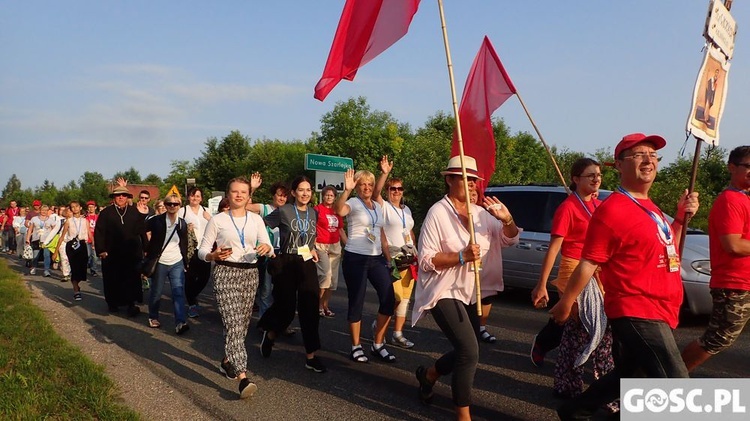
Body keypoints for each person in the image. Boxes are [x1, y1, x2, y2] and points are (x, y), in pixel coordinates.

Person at [550, 133, 699, 420]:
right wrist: (566, 302)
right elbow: (588, 262)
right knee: (676, 383)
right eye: (639, 155)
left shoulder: (650, 207)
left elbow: (670, 247)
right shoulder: (613, 209)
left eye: (653, 156)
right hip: (636, 308)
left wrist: (679, 217)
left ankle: (573, 410)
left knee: (630, 374)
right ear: (619, 165)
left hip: (661, 306)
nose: (649, 161)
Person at [413, 155, 519, 421]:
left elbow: (510, 240)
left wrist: (507, 220)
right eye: (464, 178)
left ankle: (429, 375)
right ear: (449, 180)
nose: (471, 183)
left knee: (466, 350)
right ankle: (463, 416)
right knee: (470, 352)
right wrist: (460, 256)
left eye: (473, 179)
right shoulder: (438, 212)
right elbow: (425, 260)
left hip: (473, 291)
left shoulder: (481, 213)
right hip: (442, 289)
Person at [529, 158, 616, 399]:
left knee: (592, 331)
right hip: (573, 271)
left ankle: (580, 383)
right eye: (590, 175)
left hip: (598, 272)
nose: (597, 179)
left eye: (598, 175)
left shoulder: (600, 206)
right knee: (582, 330)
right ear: (576, 179)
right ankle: (575, 386)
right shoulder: (567, 208)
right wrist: (542, 284)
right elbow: (554, 248)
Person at [198, 176, 272, 399]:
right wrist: (213, 254)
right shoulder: (218, 220)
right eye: (234, 191)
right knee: (232, 323)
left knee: (240, 324)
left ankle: (226, 361)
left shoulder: (256, 220)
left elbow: (268, 246)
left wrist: (264, 247)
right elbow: (202, 252)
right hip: (225, 272)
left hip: (250, 274)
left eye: (243, 192)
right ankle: (242, 377)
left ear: (249, 196)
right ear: (227, 195)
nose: (239, 195)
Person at [681, 145, 750, 372]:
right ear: (732, 167)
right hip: (734, 284)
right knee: (717, 338)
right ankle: (663, 381)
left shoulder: (744, 199)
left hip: (743, 281)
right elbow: (732, 244)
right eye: (748, 166)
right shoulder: (731, 200)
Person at [258, 176, 326, 373]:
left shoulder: (313, 213)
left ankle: (311, 356)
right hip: (286, 262)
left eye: (308, 190)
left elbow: (308, 237)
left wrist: (311, 249)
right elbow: (261, 225)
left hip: (305, 261)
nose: (305, 193)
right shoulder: (284, 210)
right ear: (294, 193)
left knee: (310, 307)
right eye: (301, 190)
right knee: (286, 308)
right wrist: (268, 246)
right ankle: (270, 334)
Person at [335, 168, 395, 363]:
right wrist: (346, 190)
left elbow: (381, 235)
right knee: (357, 301)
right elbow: (338, 210)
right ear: (358, 187)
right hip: (355, 258)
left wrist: (388, 258)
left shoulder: (377, 207)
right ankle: (356, 345)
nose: (367, 188)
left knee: (388, 299)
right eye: (363, 184)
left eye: (370, 184)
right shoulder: (352, 202)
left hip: (377, 258)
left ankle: (378, 344)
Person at [373, 155, 418, 349]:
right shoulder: (384, 208)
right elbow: (375, 194)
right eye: (393, 189)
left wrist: (416, 252)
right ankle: (379, 326)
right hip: (393, 257)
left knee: (405, 298)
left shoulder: (406, 210)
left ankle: (398, 333)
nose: (397, 192)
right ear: (388, 191)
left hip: (409, 256)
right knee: (395, 296)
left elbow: (409, 231)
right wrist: (384, 174)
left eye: (399, 189)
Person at [94, 185, 148, 316]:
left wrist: (146, 247)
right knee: (112, 278)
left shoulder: (134, 211)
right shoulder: (106, 213)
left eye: (124, 195)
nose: (121, 197)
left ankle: (131, 304)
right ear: (113, 198)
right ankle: (112, 303)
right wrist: (101, 249)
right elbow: (99, 232)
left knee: (131, 278)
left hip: (131, 252)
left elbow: (142, 230)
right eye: (118, 195)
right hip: (112, 252)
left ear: (127, 197)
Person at [145, 194, 190, 334]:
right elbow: (140, 230)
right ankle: (153, 316)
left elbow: (184, 243)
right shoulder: (156, 220)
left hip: (176, 261)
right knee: (157, 292)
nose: (172, 206)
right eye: (169, 203)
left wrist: (185, 262)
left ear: (179, 206)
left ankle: (180, 322)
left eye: (175, 204)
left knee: (178, 292)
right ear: (165, 205)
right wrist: (147, 249)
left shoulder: (182, 223)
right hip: (160, 262)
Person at [247, 176, 289, 319]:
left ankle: (280, 322)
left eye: (285, 196)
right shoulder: (264, 208)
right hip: (267, 255)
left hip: (283, 255)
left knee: (282, 291)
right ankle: (264, 322)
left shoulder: (289, 212)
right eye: (279, 195)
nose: (282, 198)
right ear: (273, 195)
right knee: (266, 290)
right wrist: (252, 189)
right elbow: (244, 206)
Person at [314, 185, 346, 318]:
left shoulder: (337, 211)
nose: (329, 197)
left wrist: (348, 245)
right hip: (321, 245)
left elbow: (340, 229)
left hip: (335, 245)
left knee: (333, 280)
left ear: (335, 197)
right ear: (323, 196)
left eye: (332, 195)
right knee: (325, 276)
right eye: (327, 195)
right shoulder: (317, 210)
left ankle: (325, 305)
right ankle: (317, 305)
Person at [180, 187, 212, 318]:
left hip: (205, 248)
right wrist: (185, 228)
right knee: (190, 277)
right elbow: (176, 228)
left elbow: (216, 228)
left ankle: (192, 295)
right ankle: (192, 305)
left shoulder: (207, 211)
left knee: (204, 277)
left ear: (201, 198)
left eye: (198, 196)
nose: (195, 198)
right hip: (189, 249)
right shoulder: (183, 211)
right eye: (193, 196)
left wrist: (210, 219)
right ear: (188, 197)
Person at [55, 201, 88, 301]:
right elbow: (62, 236)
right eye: (72, 207)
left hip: (82, 244)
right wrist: (56, 251)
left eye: (76, 206)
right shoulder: (68, 221)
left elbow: (89, 234)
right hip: (71, 246)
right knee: (74, 267)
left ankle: (77, 283)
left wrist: (95, 244)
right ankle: (76, 291)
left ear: (80, 207)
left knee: (82, 267)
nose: (75, 209)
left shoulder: (84, 221)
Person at [25, 205, 60, 277]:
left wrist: (54, 240)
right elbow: (30, 229)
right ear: (40, 210)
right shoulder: (34, 219)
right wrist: (27, 239)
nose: (44, 212)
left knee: (46, 255)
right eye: (42, 210)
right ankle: (34, 267)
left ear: (48, 211)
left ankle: (46, 270)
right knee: (35, 255)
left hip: (47, 240)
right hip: (36, 239)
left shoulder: (51, 220)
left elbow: (54, 231)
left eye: (46, 210)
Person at [85, 201, 100, 276]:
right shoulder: (85, 218)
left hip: (95, 238)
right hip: (87, 238)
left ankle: (93, 269)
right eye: (89, 207)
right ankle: (87, 265)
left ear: (95, 208)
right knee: (87, 254)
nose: (91, 208)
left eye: (92, 207)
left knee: (95, 256)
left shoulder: (98, 217)